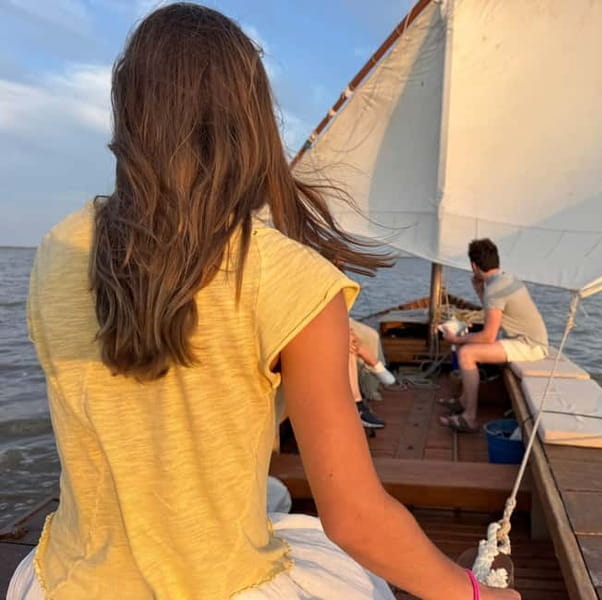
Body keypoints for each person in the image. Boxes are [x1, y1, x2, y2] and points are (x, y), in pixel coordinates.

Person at [7, 5, 520, 600]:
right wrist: (478, 595)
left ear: (129, 114)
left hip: (68, 581)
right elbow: (353, 521)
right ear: (251, 119)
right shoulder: (290, 276)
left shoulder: (57, 250)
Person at [439, 239, 549, 432]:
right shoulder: (505, 279)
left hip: (530, 346)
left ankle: (469, 417)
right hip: (528, 341)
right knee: (468, 349)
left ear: (474, 265)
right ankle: (464, 401)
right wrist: (480, 292)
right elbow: (497, 313)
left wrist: (455, 340)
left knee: (466, 354)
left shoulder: (495, 289)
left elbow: (488, 336)